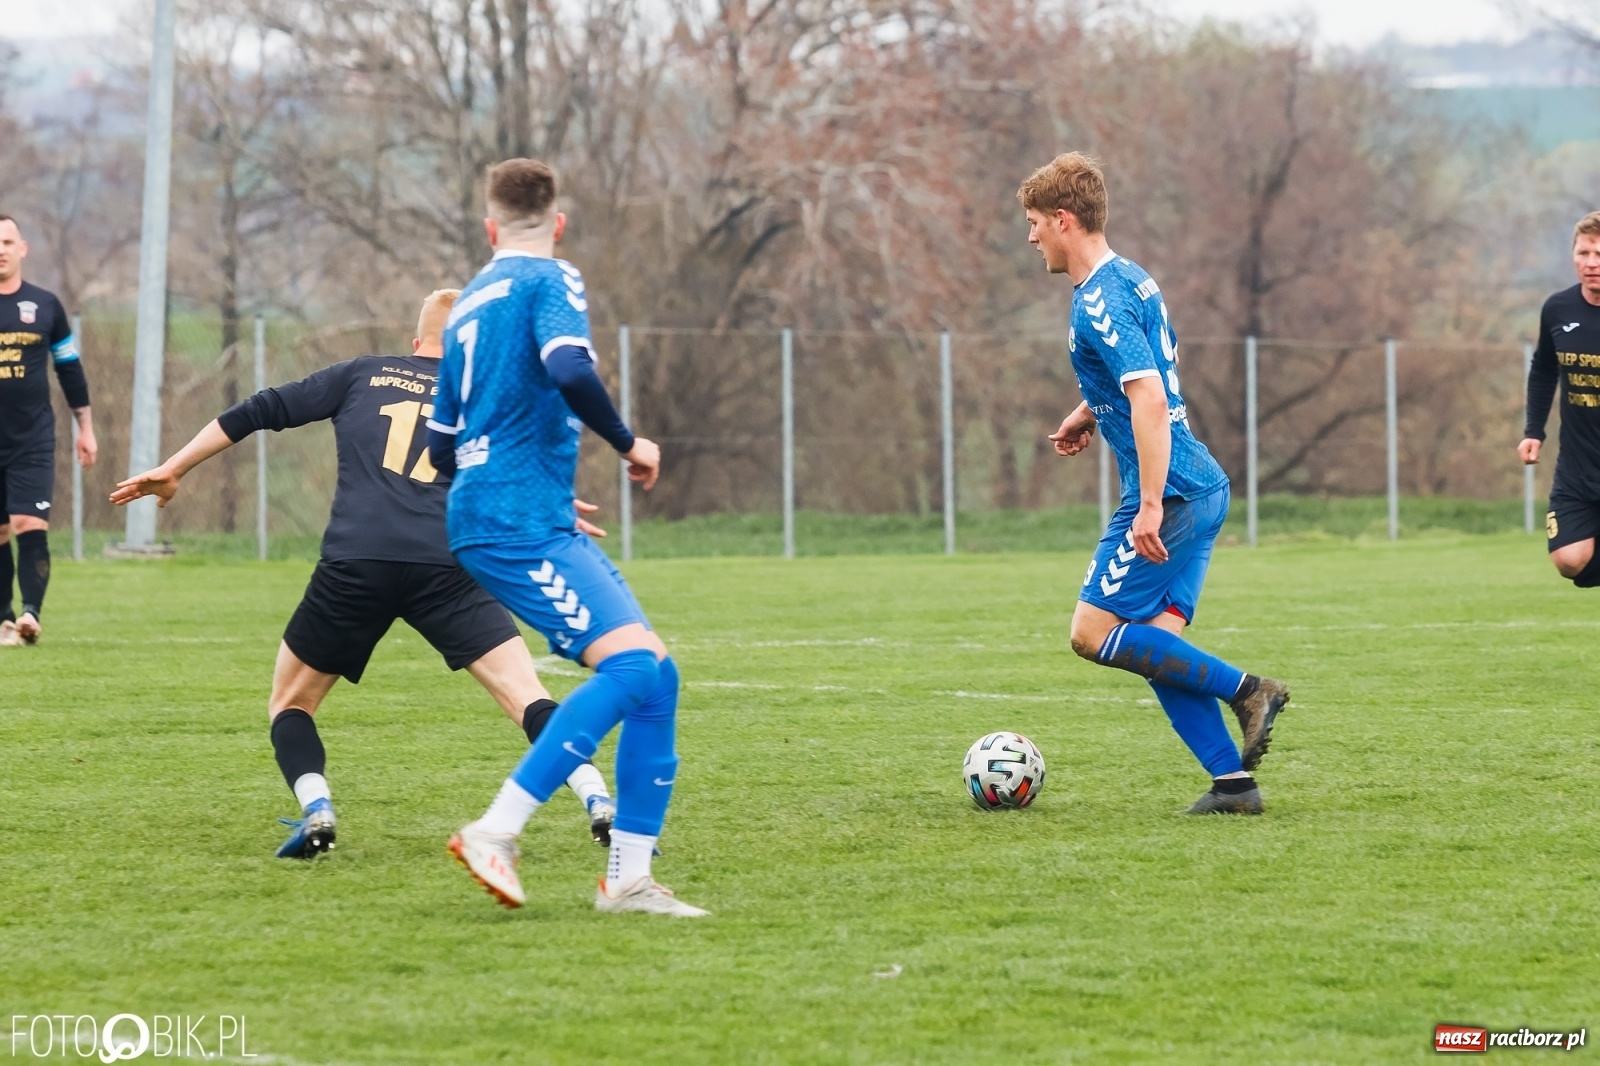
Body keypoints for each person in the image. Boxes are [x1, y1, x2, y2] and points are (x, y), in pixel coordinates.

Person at [111, 289, 615, 858]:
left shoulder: (363, 374)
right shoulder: (480, 396)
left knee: (291, 704)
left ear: (415, 341)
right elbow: (521, 469)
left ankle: (317, 808)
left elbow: (260, 409)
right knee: (524, 694)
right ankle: (597, 797)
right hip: (446, 564)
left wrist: (173, 467)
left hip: (358, 562)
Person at [428, 158, 706, 916]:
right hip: (516, 521)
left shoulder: (467, 303)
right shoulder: (552, 279)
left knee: (657, 676)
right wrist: (628, 443)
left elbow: (441, 445)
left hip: (516, 513)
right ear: (558, 221)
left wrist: (523, 488)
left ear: (489, 227)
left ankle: (628, 879)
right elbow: (567, 366)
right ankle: (497, 829)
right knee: (627, 670)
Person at [1021, 152, 1291, 815]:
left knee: (1090, 633)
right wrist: (1087, 411)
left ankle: (1248, 690)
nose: (1030, 238)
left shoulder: (1100, 302)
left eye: (1033, 223)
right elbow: (1149, 375)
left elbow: (1146, 397)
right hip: (1200, 487)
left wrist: (1146, 504)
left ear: (1063, 219)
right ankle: (1234, 786)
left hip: (1169, 495)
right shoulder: (1131, 280)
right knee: (1155, 647)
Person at [0, 213, 97, 646]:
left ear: (22, 248)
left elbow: (69, 368)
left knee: (28, 522)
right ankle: (4, 620)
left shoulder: (45, 305)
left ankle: (30, 614)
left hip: (32, 438)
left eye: (7, 242)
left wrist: (86, 428)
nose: (0, 250)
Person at [1520, 210, 1600, 584]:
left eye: (1599, 254)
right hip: (1578, 466)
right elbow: (1544, 368)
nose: (1591, 263)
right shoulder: (1558, 309)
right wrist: (1533, 430)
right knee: (1569, 559)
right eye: (1584, 253)